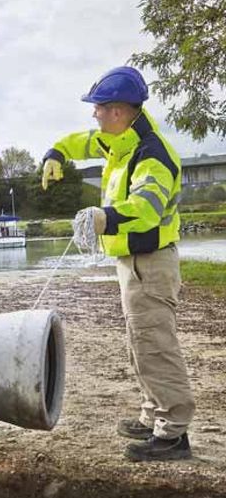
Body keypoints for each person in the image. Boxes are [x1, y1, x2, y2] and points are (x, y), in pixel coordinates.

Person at [42, 65, 195, 462]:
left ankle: (174, 432)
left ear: (118, 110)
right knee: (140, 343)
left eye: (97, 108)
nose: (93, 115)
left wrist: (103, 217)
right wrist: (56, 153)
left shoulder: (152, 155)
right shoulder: (121, 141)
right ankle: (152, 416)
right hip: (134, 262)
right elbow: (82, 142)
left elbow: (146, 209)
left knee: (155, 345)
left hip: (151, 263)